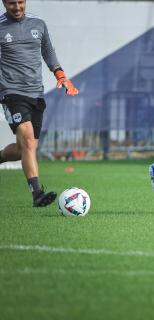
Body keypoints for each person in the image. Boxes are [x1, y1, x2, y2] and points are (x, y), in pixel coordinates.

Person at [0, 0, 78, 207]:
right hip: (10, 92)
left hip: (36, 93)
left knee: (25, 148)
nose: (16, 7)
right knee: (27, 140)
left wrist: (61, 75)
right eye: (11, 4)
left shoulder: (39, 24)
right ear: (3, 3)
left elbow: (48, 51)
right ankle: (36, 194)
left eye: (20, 2)